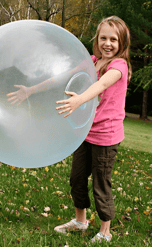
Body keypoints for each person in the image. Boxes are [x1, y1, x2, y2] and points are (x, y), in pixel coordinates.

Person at [54, 16, 132, 244]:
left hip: (106, 137)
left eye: (114, 39)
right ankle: (80, 221)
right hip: (86, 132)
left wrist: (79, 101)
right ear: (97, 39)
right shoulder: (91, 60)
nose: (108, 43)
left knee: (100, 182)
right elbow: (62, 77)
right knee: (77, 178)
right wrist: (31, 90)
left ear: (122, 43)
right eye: (103, 38)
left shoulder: (119, 66)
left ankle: (105, 231)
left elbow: (101, 84)